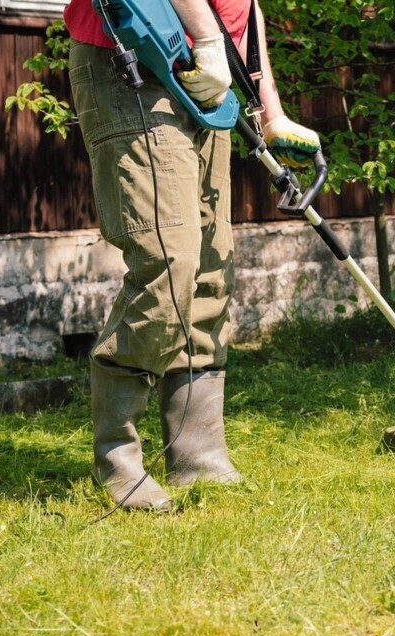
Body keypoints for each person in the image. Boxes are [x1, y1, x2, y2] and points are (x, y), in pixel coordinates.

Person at [63, 0, 320, 511]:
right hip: (131, 55)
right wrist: (205, 40)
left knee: (209, 263)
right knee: (169, 258)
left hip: (202, 72)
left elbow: (243, 7)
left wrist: (268, 107)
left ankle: (197, 451)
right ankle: (117, 458)